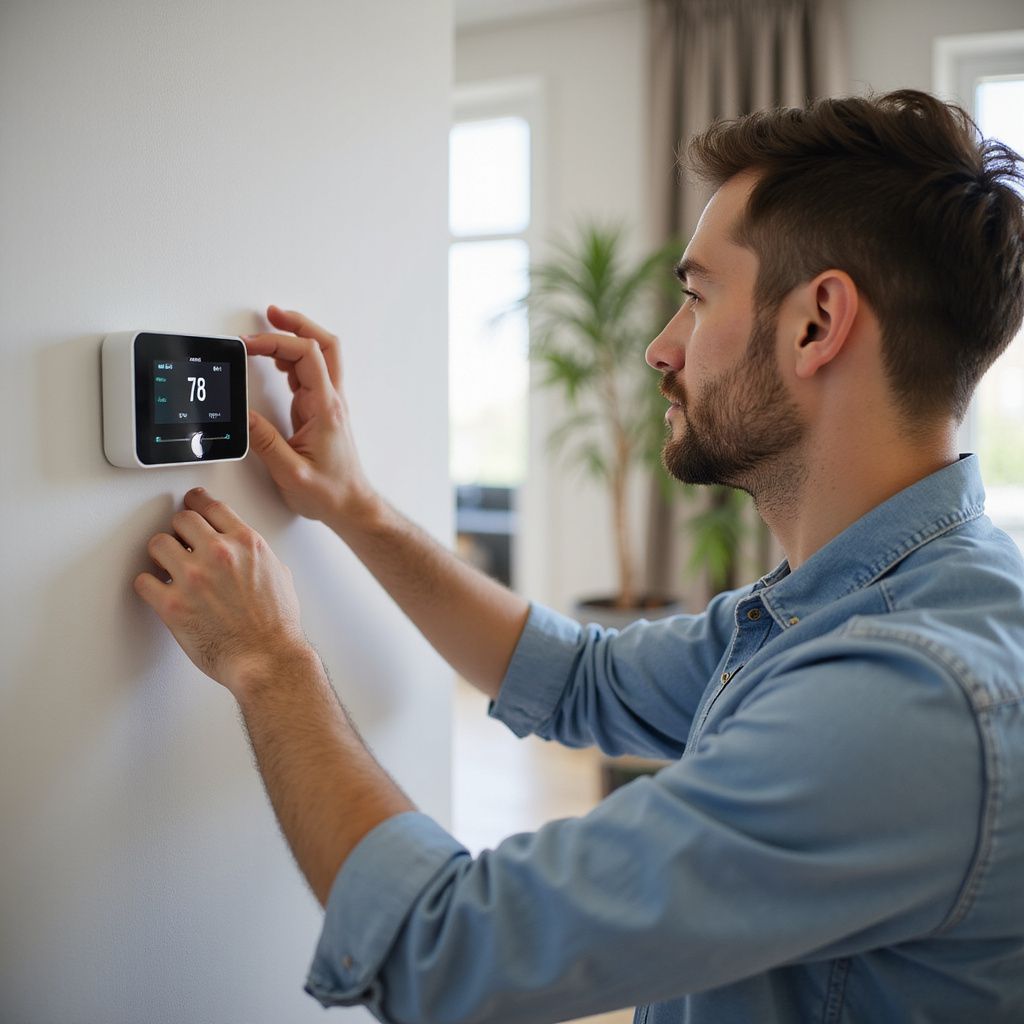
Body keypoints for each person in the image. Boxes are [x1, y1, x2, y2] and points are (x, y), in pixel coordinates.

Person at [135, 89, 1024, 1023]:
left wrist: (270, 663)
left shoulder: (907, 705)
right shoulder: (878, 594)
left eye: (696, 295)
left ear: (817, 324)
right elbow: (575, 677)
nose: (659, 347)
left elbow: (446, 952)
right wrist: (354, 508)